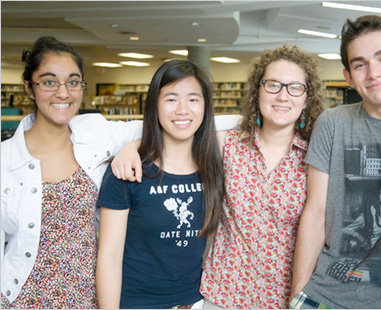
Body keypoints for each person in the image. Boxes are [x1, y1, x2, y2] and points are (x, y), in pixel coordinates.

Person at [289, 15, 381, 309]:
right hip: (322, 297)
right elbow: (316, 213)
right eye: (360, 64)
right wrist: (298, 294)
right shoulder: (333, 123)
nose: (373, 72)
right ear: (348, 76)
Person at [1, 36, 142, 309]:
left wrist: (132, 145)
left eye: (73, 82)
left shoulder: (97, 133)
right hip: (21, 299)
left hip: (87, 297)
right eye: (49, 81)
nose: (63, 93)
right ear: (29, 88)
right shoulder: (5, 159)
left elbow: (168, 125)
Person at [199, 44, 323, 309]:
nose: (283, 95)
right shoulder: (226, 145)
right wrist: (130, 148)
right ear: (257, 91)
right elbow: (171, 137)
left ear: (307, 98)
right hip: (223, 295)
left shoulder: (317, 158)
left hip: (286, 300)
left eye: (295, 87)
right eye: (273, 85)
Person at [95, 59, 224, 309]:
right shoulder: (127, 171)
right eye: (171, 99)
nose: (183, 110)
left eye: (194, 99)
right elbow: (109, 256)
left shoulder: (214, 168)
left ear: (206, 107)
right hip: (137, 303)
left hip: (196, 302)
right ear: (155, 105)